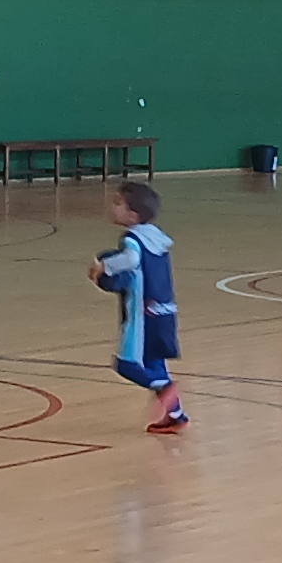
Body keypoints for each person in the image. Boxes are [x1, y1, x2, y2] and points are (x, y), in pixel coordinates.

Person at [90, 178, 187, 432]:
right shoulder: (157, 238)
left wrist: (104, 267)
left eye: (117, 203)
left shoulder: (132, 239)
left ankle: (165, 388)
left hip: (142, 314)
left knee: (127, 364)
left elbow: (131, 259)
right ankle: (176, 416)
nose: (112, 206)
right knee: (155, 364)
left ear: (132, 215)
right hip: (165, 311)